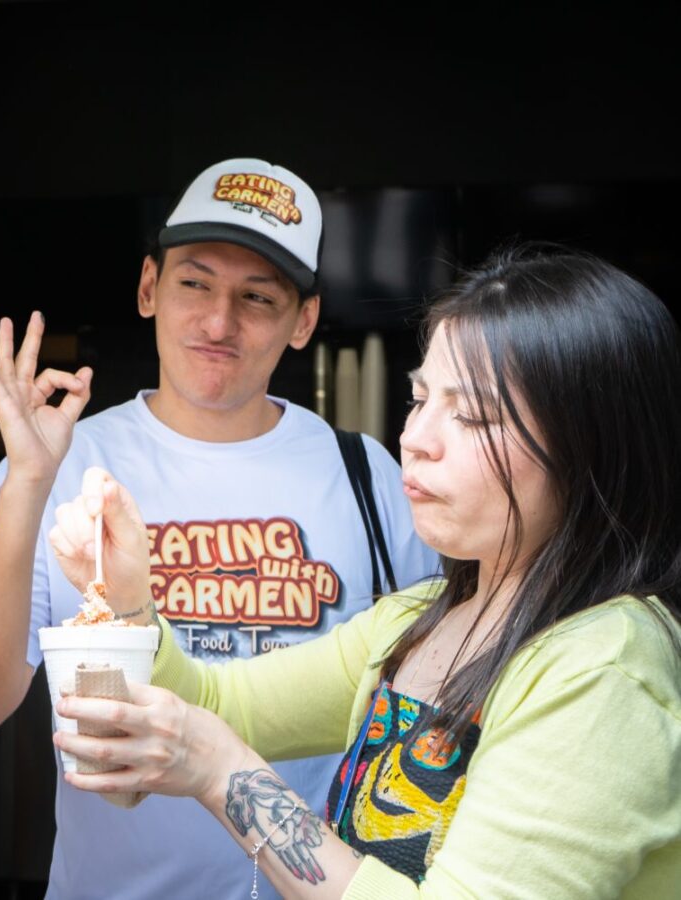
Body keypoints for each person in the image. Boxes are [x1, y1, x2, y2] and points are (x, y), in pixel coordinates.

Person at [48, 246, 681, 898]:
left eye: (472, 415)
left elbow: (213, 737)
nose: (416, 439)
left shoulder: (605, 667)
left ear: (589, 446)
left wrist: (220, 771)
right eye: (420, 398)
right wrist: (130, 597)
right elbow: (214, 705)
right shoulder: (415, 621)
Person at [0, 158, 437, 899]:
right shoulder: (59, 462)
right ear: (148, 288)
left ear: (303, 321)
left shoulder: (370, 479)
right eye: (195, 283)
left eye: (257, 296)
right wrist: (26, 483)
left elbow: (441, 703)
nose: (219, 323)